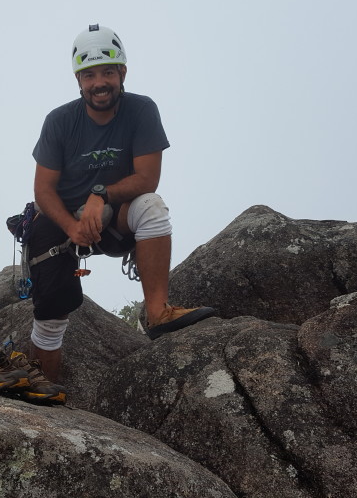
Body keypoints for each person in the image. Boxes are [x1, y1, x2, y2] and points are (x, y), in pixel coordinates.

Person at [27, 24, 217, 382]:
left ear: (122, 73)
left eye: (108, 72)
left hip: (115, 218)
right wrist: (71, 227)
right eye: (90, 75)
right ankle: (44, 390)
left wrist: (100, 194)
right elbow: (43, 189)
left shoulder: (141, 110)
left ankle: (158, 312)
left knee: (151, 205)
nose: (100, 82)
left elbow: (147, 178)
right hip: (63, 221)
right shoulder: (60, 121)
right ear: (79, 80)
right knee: (51, 312)